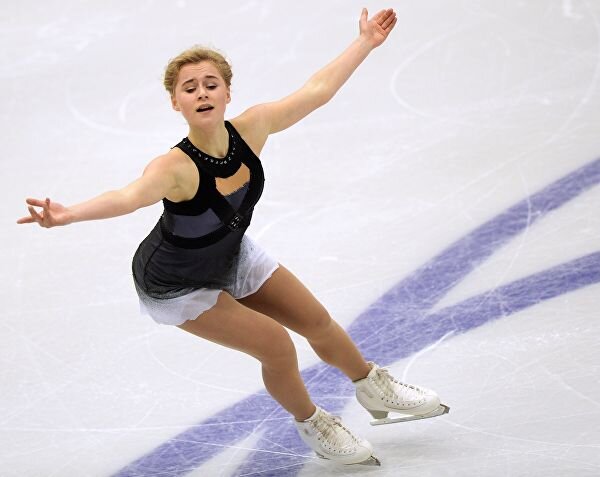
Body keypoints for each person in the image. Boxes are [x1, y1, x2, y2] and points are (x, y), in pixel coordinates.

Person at [18, 7, 447, 466]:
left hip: (230, 254)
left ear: (226, 93)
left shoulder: (253, 128)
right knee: (276, 345)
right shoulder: (173, 168)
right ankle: (313, 423)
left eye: (210, 84)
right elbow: (128, 197)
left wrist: (364, 42)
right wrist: (69, 214)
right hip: (176, 283)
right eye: (189, 88)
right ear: (176, 103)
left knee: (316, 320)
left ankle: (371, 385)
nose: (201, 92)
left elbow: (316, 92)